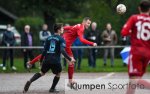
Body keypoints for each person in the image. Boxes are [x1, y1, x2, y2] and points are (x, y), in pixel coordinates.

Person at [26, 17, 97, 86]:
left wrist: (62, 29)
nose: (89, 25)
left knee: (48, 53)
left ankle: (31, 63)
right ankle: (70, 81)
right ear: (84, 22)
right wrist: (92, 43)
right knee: (71, 62)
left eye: (89, 24)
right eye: (88, 23)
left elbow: (69, 28)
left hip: (63, 42)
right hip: (65, 45)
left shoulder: (78, 25)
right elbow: (82, 39)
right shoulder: (81, 28)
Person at [23, 23, 74, 93]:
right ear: (59, 30)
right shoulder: (61, 39)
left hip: (46, 60)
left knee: (41, 72)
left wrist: (41, 61)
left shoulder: (48, 38)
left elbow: (44, 51)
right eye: (62, 28)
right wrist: (70, 59)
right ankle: (52, 89)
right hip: (55, 61)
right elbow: (62, 50)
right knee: (58, 73)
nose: (63, 29)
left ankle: (30, 81)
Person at [121, 0, 150, 94]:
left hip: (136, 53)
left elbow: (123, 33)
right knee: (132, 80)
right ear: (149, 9)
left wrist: (133, 32)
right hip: (147, 54)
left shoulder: (134, 18)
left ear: (139, 8)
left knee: (134, 80)